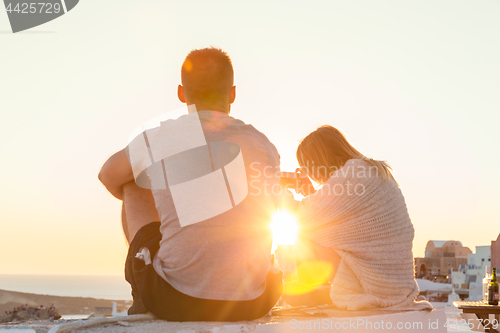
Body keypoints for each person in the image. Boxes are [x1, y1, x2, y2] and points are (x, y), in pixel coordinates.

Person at [98, 47, 282, 321]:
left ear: (181, 93)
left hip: (175, 300)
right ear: (232, 94)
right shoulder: (263, 144)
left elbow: (108, 175)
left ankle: (142, 284)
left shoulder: (159, 136)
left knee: (133, 183)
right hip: (255, 300)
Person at [283, 125, 432, 311]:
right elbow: (338, 218)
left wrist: (279, 190)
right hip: (394, 287)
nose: (309, 174)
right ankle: (319, 288)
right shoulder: (369, 170)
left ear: (319, 160)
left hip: (371, 287)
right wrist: (309, 192)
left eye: (307, 167)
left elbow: (305, 217)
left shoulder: (353, 172)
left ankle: (317, 287)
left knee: (291, 290)